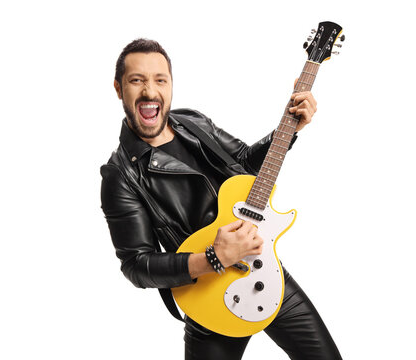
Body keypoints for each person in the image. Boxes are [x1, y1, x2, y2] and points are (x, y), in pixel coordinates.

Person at [100, 38, 342, 360]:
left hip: (265, 268)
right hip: (209, 296)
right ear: (119, 88)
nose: (150, 90)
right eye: (137, 80)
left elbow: (243, 161)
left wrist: (289, 126)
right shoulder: (120, 175)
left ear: (171, 84)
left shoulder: (192, 122)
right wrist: (215, 258)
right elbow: (137, 265)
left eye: (160, 79)